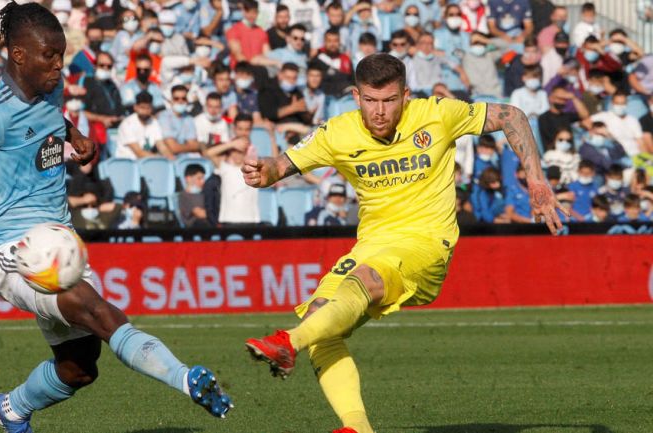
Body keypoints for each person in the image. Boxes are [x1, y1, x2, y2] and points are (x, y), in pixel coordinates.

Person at [0, 4, 232, 433]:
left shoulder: (51, 87)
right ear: (17, 55)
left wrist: (76, 134)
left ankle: (11, 408)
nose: (58, 64)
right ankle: (188, 378)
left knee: (80, 369)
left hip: (60, 238)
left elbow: (49, 119)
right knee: (97, 311)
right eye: (48, 55)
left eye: (61, 54)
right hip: (14, 248)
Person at [240, 53, 566, 433]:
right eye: (371, 100)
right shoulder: (336, 133)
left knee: (363, 280)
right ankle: (357, 427)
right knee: (321, 322)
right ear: (356, 96)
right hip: (373, 244)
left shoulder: (437, 114)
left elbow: (512, 116)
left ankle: (286, 343)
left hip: (426, 244)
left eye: (390, 100)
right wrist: (262, 172)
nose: (380, 111)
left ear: (406, 95)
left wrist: (537, 181)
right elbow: (280, 166)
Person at [206, 113, 260, 226]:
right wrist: (231, 144)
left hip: (251, 218)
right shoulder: (224, 166)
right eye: (240, 129)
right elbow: (208, 153)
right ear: (234, 128)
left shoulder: (255, 163)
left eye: (247, 129)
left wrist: (271, 136)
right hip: (228, 218)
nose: (243, 133)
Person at [116, 91, 165, 160]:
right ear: (135, 107)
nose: (145, 111)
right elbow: (139, 153)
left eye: (148, 108)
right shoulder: (127, 124)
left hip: (146, 162)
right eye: (142, 108)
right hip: (127, 163)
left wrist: (171, 160)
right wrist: (161, 159)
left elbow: (162, 146)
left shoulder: (154, 122)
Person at [178, 163, 209, 228]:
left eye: (203, 178)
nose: (203, 181)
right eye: (199, 178)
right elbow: (199, 213)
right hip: (194, 227)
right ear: (188, 179)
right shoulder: (184, 196)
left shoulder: (203, 194)